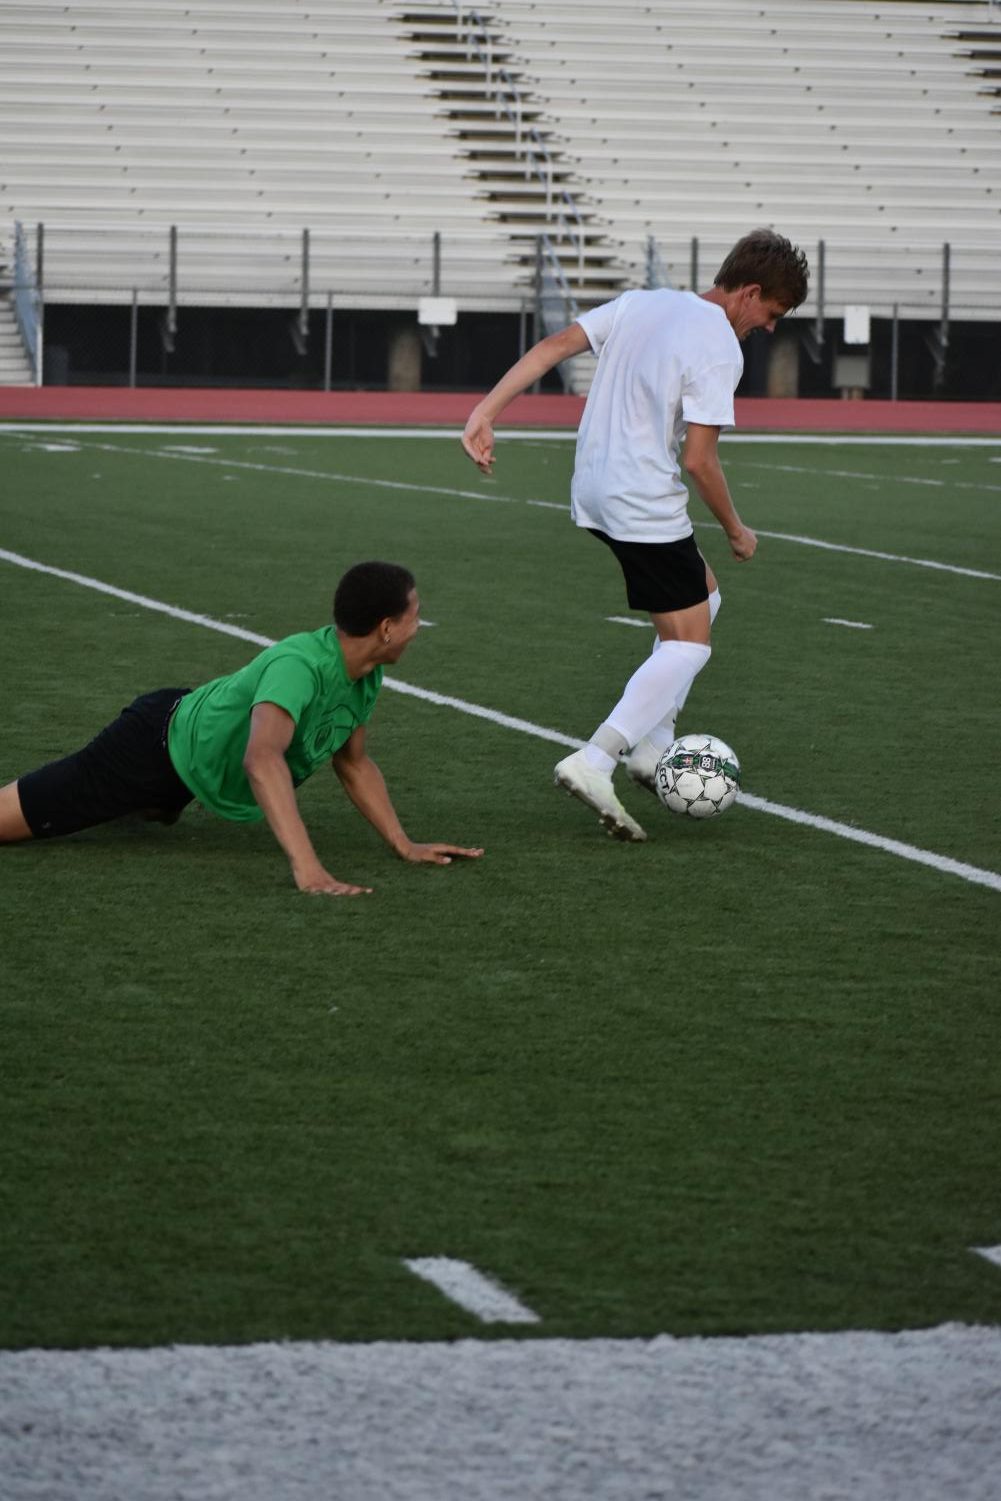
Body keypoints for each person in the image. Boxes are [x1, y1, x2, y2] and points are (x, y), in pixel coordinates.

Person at [462, 227, 808, 842]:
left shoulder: (643, 301)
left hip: (594, 487)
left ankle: (653, 748)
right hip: (641, 500)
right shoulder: (721, 348)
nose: (771, 327)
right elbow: (700, 461)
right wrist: (736, 528)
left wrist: (485, 411)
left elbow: (552, 347)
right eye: (773, 313)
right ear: (749, 292)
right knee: (690, 645)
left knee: (706, 596)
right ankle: (596, 760)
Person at [0, 560, 483, 895]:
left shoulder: (366, 675)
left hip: (191, 754)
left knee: (157, 812)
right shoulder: (300, 665)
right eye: (415, 615)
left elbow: (353, 764)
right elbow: (260, 758)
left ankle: (153, 805)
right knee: (23, 818)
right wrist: (308, 868)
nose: (419, 625)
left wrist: (405, 844)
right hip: (152, 749)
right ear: (385, 628)